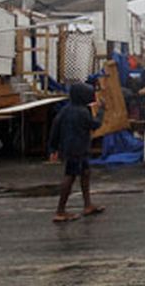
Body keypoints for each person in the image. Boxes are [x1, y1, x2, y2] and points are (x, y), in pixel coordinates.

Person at [49, 82, 106, 223]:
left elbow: (55, 128)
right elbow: (95, 124)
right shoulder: (82, 112)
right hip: (77, 148)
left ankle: (88, 205)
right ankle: (60, 211)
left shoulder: (66, 109)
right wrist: (101, 111)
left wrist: (53, 147)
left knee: (85, 172)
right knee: (70, 176)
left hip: (72, 148)